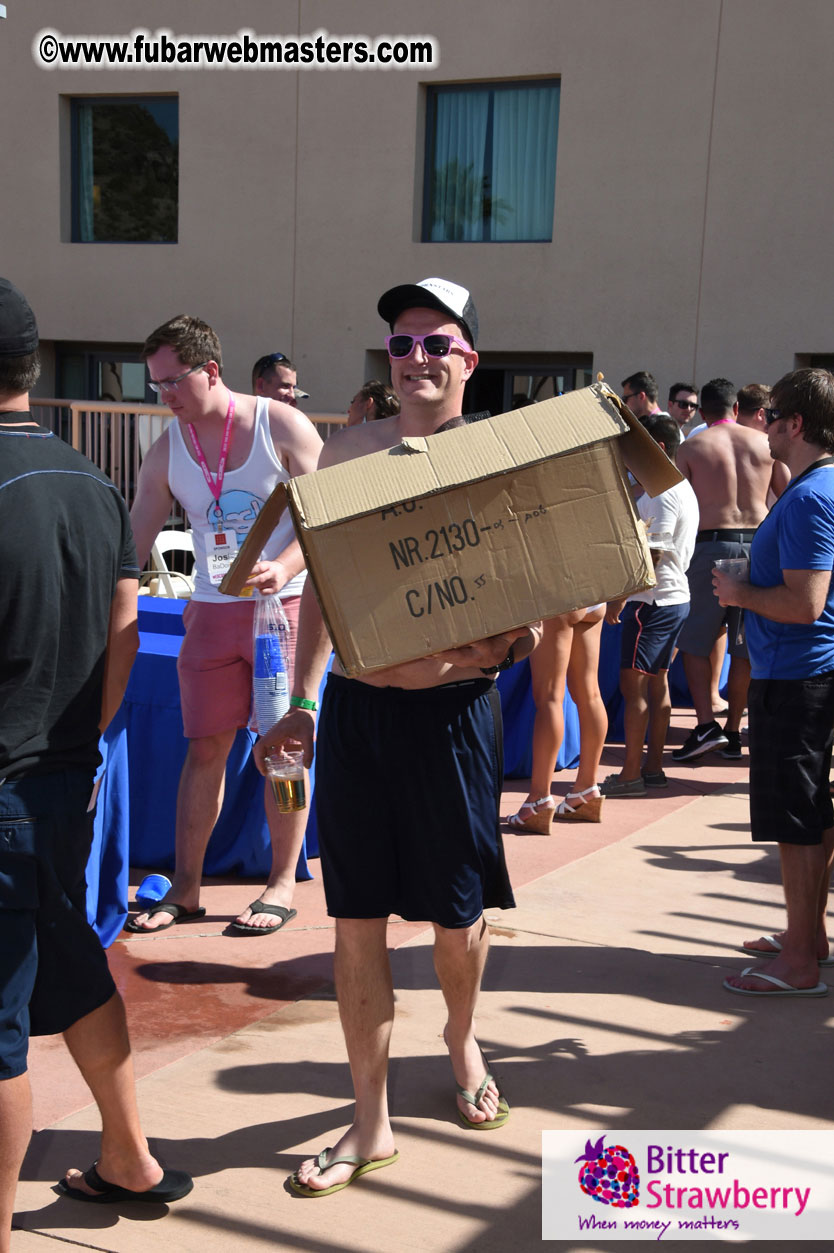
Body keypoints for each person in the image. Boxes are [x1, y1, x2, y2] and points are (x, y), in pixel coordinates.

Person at [256, 277, 542, 1195]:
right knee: (355, 921)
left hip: (453, 715)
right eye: (401, 343)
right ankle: (369, 1119)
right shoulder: (346, 455)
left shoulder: (501, 458)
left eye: (435, 342)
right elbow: (326, 592)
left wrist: (517, 633)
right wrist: (301, 701)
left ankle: (461, 1039)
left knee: (457, 922)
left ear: (469, 359)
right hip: (360, 714)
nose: (415, 357)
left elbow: (544, 591)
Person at [0, 277, 191, 1235]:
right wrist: (85, 744)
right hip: (66, 775)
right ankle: (127, 1155)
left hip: (7, 782)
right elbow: (126, 628)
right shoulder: (93, 481)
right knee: (73, 963)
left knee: (1, 1029)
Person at [127, 316, 322, 934]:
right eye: (155, 385)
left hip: (281, 613)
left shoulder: (280, 424)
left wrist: (284, 565)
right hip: (211, 616)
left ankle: (282, 882)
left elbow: (331, 522)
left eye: (174, 382)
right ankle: (186, 888)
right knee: (203, 750)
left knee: (285, 753)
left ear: (211, 370)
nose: (166, 397)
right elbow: (133, 547)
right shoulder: (166, 449)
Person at [716, 368, 834, 997]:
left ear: (794, 425)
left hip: (798, 673)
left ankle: (800, 965)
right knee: (812, 812)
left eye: (770, 418)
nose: (761, 429)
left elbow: (806, 603)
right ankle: (805, 939)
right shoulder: (818, 488)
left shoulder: (814, 495)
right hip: (805, 670)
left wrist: (739, 591)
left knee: (796, 820)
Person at [672, 378, 789, 761]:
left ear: (703, 412)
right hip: (758, 545)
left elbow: (678, 503)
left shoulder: (691, 446)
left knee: (694, 641)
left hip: (711, 544)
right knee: (744, 646)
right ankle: (735, 730)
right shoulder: (764, 443)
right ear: (736, 409)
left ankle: (706, 724)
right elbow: (788, 494)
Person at [601, 414, 699, 794]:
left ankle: (631, 774)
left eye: (633, 450)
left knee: (634, 688)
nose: (627, 458)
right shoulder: (677, 487)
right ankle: (652, 767)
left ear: (656, 449)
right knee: (657, 687)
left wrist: (617, 599)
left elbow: (652, 556)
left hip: (652, 604)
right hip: (671, 600)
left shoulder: (662, 494)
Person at [505, 606, 608, 829]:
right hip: (595, 596)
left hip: (560, 596)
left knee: (549, 698)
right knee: (590, 693)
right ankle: (586, 789)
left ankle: (538, 800)